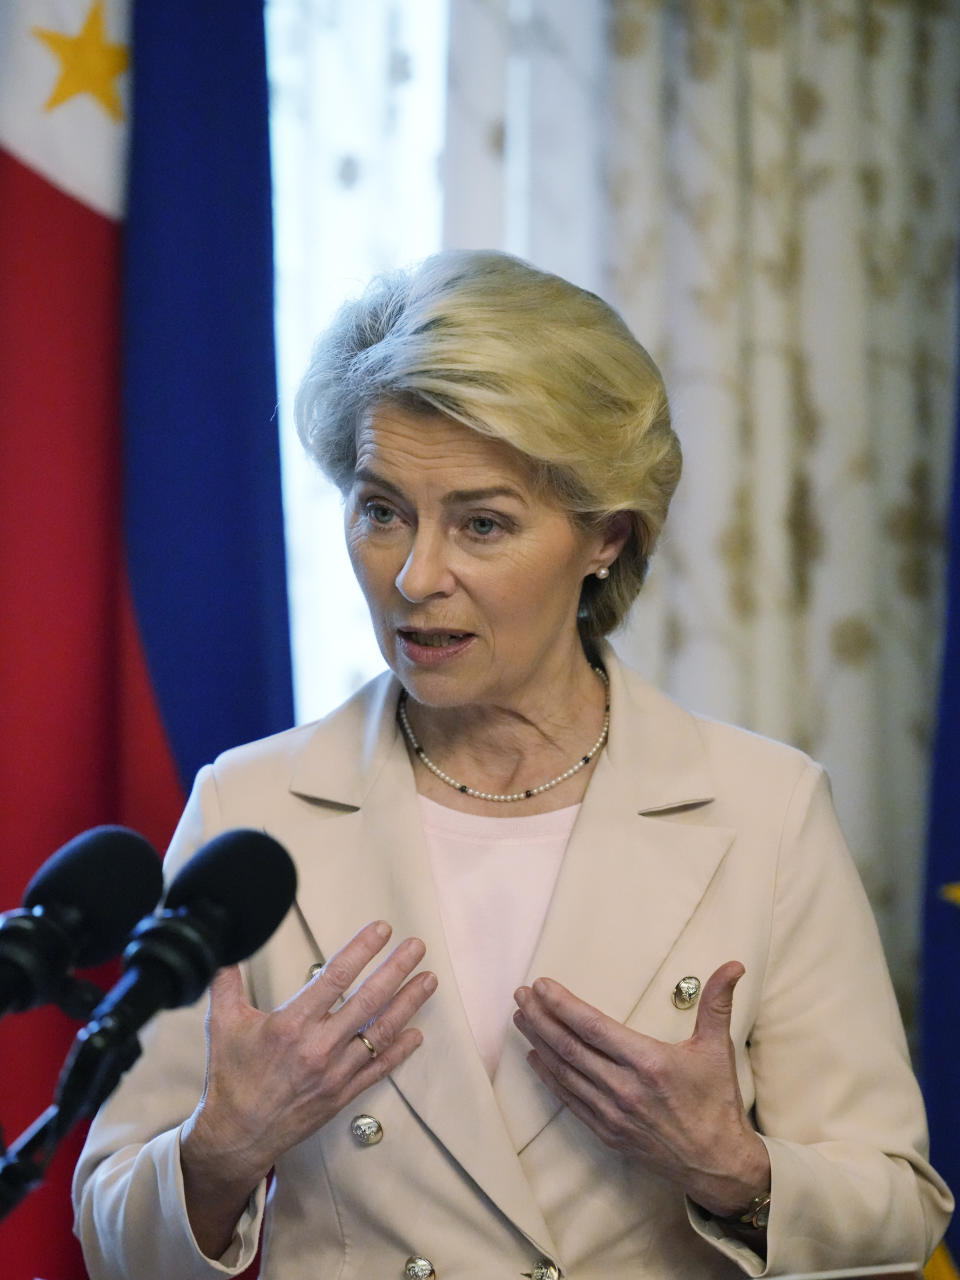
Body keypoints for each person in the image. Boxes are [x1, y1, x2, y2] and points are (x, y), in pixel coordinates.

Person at [73, 250, 951, 1279]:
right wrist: (220, 1151)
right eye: (381, 508)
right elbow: (110, 1232)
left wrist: (732, 1167)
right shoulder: (251, 804)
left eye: (481, 523)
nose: (414, 575)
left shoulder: (765, 810)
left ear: (606, 538)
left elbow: (899, 1214)